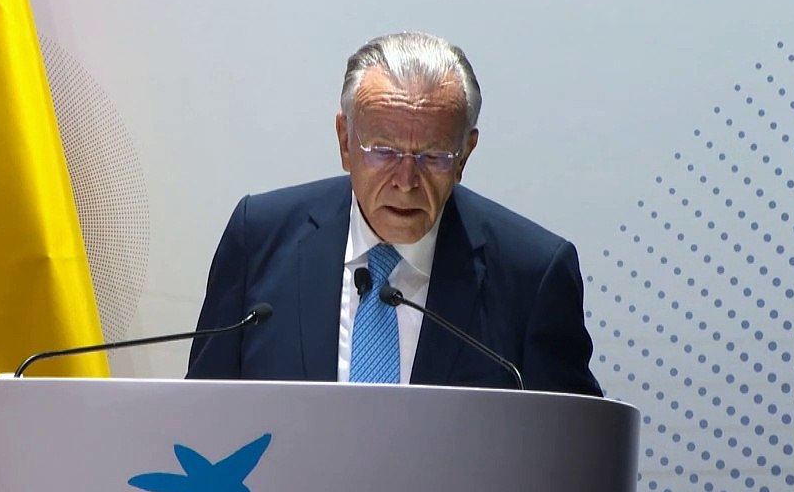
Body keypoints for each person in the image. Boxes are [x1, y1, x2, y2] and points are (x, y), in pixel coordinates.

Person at [187, 31, 602, 397]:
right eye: (383, 151)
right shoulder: (259, 237)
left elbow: (575, 456)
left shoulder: (532, 276)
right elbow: (200, 418)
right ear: (345, 142)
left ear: (465, 154)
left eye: (434, 156)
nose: (406, 180)